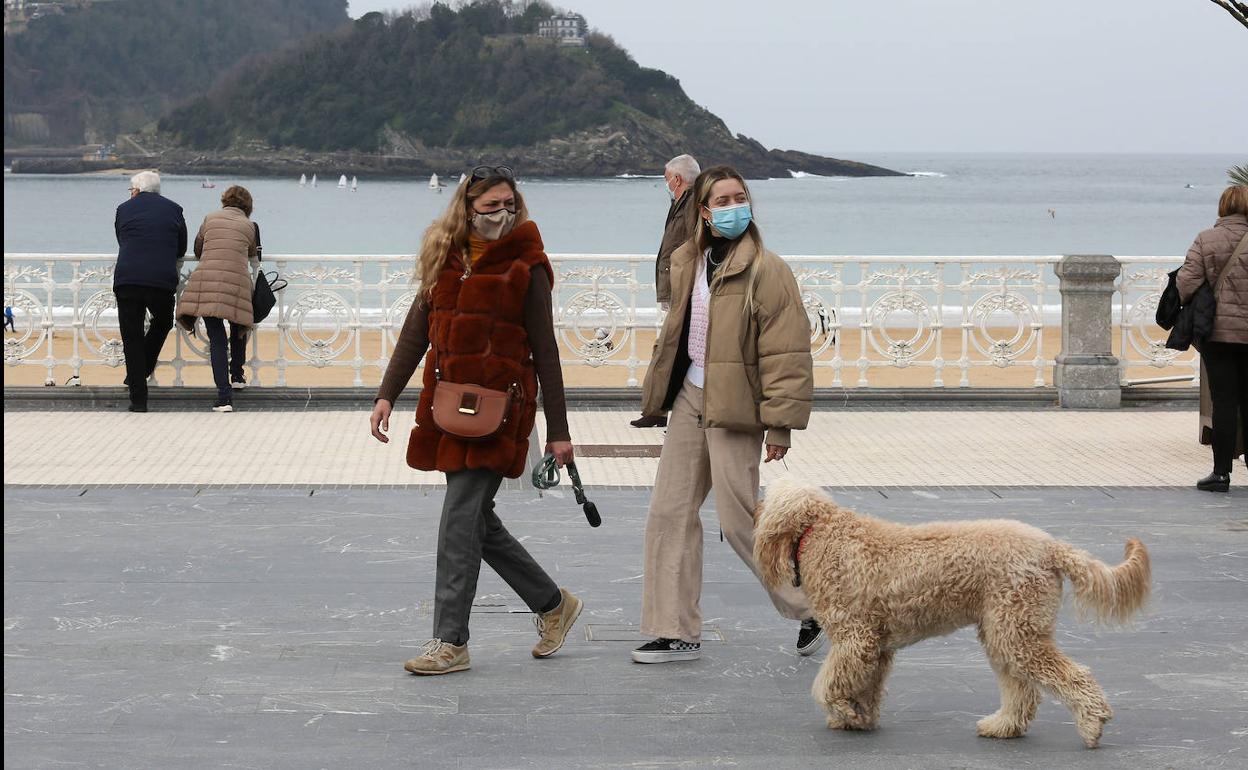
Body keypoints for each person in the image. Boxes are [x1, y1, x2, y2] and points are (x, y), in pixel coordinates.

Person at [369, 165, 583, 675]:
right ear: (467, 207)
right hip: (446, 409)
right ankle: (554, 604)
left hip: (501, 412)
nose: (502, 213)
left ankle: (451, 641)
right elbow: (415, 332)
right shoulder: (444, 256)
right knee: (476, 524)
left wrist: (559, 431)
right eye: (491, 206)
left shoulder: (527, 267)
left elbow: (546, 351)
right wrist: (385, 396)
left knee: (458, 520)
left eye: (510, 203)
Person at [631, 165, 822, 663]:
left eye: (742, 197)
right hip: (691, 396)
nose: (736, 206)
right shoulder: (687, 261)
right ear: (704, 211)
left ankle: (814, 606)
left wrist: (779, 423)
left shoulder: (767, 269)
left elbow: (787, 354)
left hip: (737, 405)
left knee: (739, 520)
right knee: (668, 512)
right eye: (723, 200)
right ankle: (673, 629)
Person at [1178, 184, 1248, 493]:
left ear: (1222, 207)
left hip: (1218, 333)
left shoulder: (1206, 238)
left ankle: (1221, 474)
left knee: (1224, 401)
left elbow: (1186, 283)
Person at [632, 154, 701, 429]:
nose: (666, 184)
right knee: (669, 348)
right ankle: (657, 409)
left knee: (668, 349)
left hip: (687, 290)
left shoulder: (692, 204)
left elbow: (692, 246)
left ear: (676, 178)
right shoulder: (682, 203)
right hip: (680, 289)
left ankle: (656, 410)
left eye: (666, 179)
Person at [176, 185, 259, 412]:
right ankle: (238, 376)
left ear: (224, 200)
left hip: (207, 282)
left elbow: (198, 249)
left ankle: (224, 397)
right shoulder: (249, 226)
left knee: (217, 338)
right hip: (237, 283)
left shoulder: (209, 218)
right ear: (248, 206)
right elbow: (253, 254)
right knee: (239, 326)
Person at [113, 170, 187, 412]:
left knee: (131, 337)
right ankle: (143, 368)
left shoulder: (123, 209)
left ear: (135, 190)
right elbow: (181, 248)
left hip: (128, 279)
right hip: (161, 280)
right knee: (163, 321)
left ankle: (138, 399)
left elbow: (121, 239)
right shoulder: (175, 209)